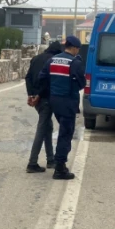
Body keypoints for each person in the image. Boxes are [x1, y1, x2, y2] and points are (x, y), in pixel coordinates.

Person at [37, 35, 86, 180]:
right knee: (66, 133)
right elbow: (82, 83)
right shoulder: (74, 63)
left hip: (54, 100)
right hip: (68, 101)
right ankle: (60, 168)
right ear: (75, 48)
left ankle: (60, 163)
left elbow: (42, 77)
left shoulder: (52, 60)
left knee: (63, 130)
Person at [25, 41, 62, 173]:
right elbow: (47, 81)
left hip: (36, 99)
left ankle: (50, 159)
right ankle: (32, 163)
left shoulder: (36, 58)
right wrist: (39, 95)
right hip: (45, 98)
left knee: (48, 127)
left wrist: (31, 94)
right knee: (42, 129)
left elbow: (28, 77)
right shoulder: (53, 61)